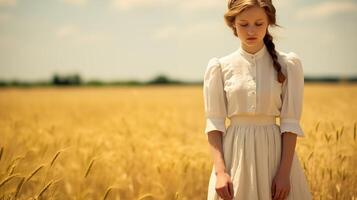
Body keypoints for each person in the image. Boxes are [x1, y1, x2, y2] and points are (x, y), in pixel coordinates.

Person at [203, 0, 312, 200]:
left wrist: (284, 173)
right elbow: (215, 124)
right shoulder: (219, 67)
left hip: (275, 156)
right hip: (234, 155)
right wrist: (220, 173)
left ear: (269, 22)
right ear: (233, 24)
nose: (251, 30)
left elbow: (290, 124)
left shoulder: (288, 65)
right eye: (244, 24)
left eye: (259, 23)